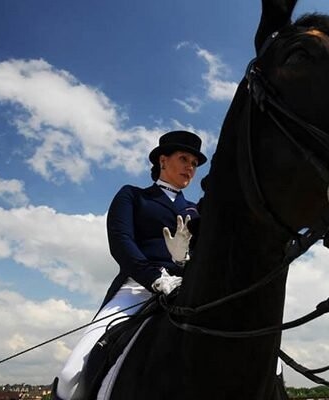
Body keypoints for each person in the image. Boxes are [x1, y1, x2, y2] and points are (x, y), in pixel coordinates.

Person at [53, 130, 207, 400]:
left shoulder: (195, 210)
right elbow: (121, 243)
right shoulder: (133, 196)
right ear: (162, 160)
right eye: (184, 159)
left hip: (188, 287)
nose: (190, 168)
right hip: (138, 287)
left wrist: (185, 262)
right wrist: (156, 278)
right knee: (70, 376)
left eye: (194, 164)